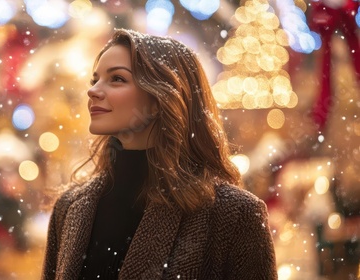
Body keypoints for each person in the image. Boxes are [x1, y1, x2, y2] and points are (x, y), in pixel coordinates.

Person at [41, 29, 278, 280]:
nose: (93, 91)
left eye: (117, 79)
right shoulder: (69, 208)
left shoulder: (233, 214)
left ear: (160, 98)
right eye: (94, 80)